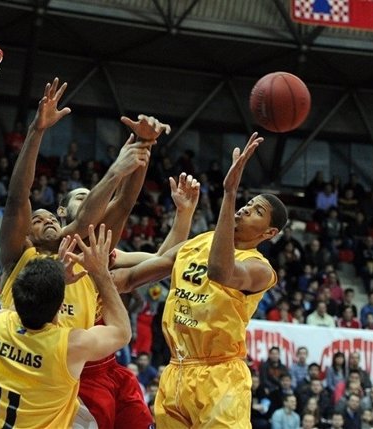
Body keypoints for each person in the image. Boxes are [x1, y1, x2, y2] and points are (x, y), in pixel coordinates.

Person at [0, 78, 171, 429]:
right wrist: (37, 130)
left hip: (71, 382)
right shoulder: (19, 258)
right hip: (32, 374)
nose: (44, 219)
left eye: (50, 218)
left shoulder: (85, 253)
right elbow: (18, 197)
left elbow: (119, 206)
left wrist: (143, 145)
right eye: (38, 219)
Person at [112, 132, 288, 428]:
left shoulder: (260, 269)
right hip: (175, 372)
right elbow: (130, 277)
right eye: (249, 203)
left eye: (257, 211)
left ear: (268, 233)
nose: (246, 208)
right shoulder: (197, 243)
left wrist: (229, 194)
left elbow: (221, 272)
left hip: (220, 377)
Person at [0, 224, 131, 428]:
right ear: (61, 306)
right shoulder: (69, 347)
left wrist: (55, 279)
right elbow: (122, 332)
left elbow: (19, 302)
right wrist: (100, 272)